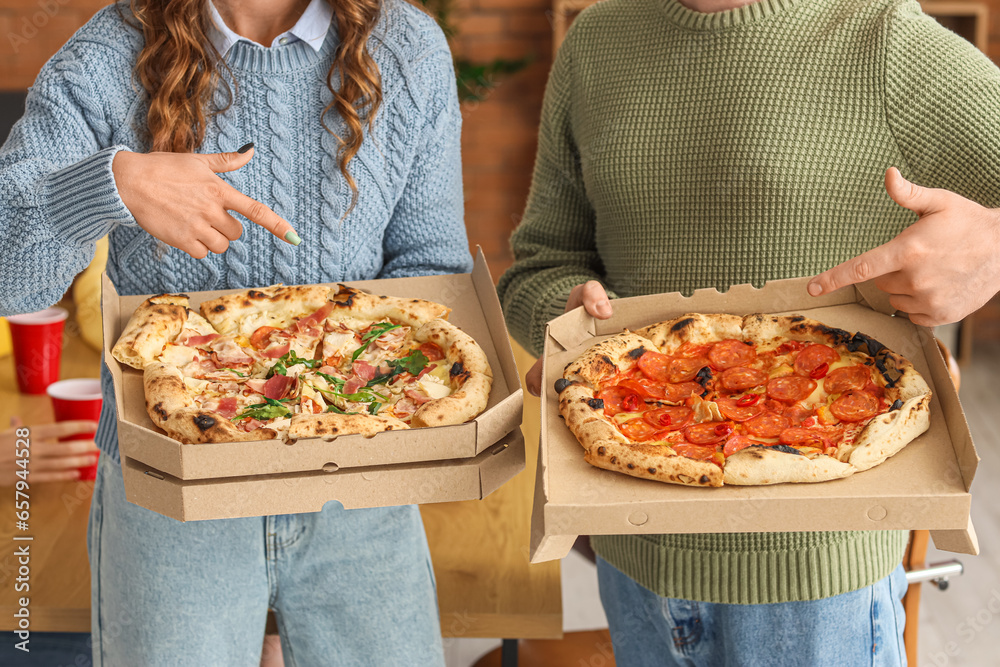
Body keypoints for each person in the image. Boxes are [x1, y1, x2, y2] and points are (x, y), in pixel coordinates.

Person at [497, 0, 1000, 664]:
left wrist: (993, 245)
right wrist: (565, 321)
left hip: (821, 583)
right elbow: (541, 264)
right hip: (631, 554)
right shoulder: (594, 39)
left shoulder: (883, 35)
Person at [0, 0, 469, 664]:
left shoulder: (406, 46)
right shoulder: (106, 54)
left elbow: (432, 272)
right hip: (170, 486)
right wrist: (112, 184)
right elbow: (9, 277)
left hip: (361, 482)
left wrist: (342, 381)